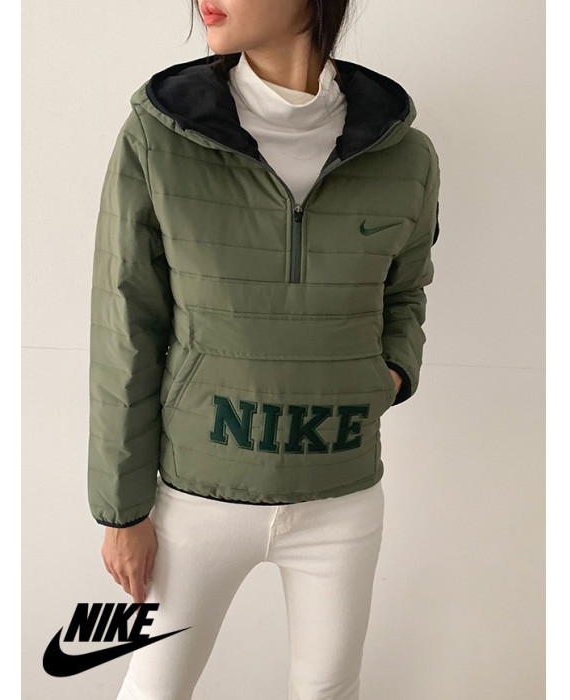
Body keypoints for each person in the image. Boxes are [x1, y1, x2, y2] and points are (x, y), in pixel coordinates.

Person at [88, 0, 441, 697]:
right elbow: (126, 325)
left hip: (341, 495)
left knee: (328, 691)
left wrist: (393, 374)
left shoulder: (406, 155)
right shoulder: (159, 138)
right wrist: (122, 511)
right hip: (196, 498)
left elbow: (406, 290)